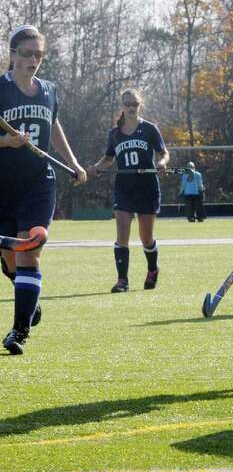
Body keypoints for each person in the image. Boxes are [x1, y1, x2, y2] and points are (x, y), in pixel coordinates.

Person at [0, 25, 88, 354]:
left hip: (39, 183)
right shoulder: (1, 90)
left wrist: (74, 163)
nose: (33, 60)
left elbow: (53, 125)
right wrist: (6, 141)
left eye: (38, 54)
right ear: (12, 55)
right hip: (3, 185)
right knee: (10, 262)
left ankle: (19, 331)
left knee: (29, 251)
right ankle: (29, 302)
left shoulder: (49, 90)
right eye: (27, 54)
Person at [86, 88, 169, 292]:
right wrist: (95, 168)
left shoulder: (150, 129)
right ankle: (122, 280)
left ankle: (152, 269)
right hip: (124, 187)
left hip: (147, 186)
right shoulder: (114, 134)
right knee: (122, 231)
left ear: (140, 106)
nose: (132, 107)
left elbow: (163, 153)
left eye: (135, 104)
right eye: (128, 104)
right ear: (122, 106)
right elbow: (108, 159)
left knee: (145, 237)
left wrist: (162, 163)